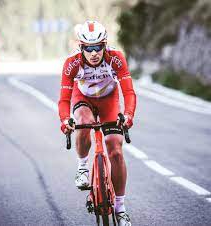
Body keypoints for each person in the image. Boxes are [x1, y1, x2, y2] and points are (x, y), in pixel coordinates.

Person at [58, 20, 136, 226]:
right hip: (82, 98)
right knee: (83, 121)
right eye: (88, 48)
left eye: (98, 47)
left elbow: (128, 91)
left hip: (109, 100)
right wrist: (65, 120)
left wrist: (128, 115)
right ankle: (82, 167)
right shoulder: (72, 63)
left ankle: (121, 209)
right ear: (81, 48)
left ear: (105, 45)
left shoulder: (116, 59)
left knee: (115, 149)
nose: (94, 53)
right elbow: (64, 99)